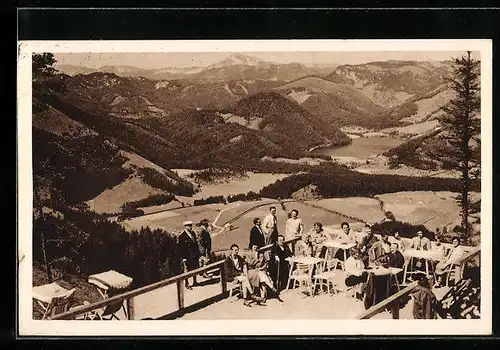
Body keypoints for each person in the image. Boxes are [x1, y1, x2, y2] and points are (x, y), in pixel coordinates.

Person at [178, 221, 201, 289]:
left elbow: (195, 244)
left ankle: (195, 281)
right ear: (185, 226)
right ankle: (187, 283)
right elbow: (181, 248)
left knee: (195, 268)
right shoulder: (182, 236)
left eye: (191, 225)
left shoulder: (193, 233)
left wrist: (198, 254)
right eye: (188, 226)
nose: (190, 227)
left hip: (194, 255)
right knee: (187, 270)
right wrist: (183, 257)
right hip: (187, 256)